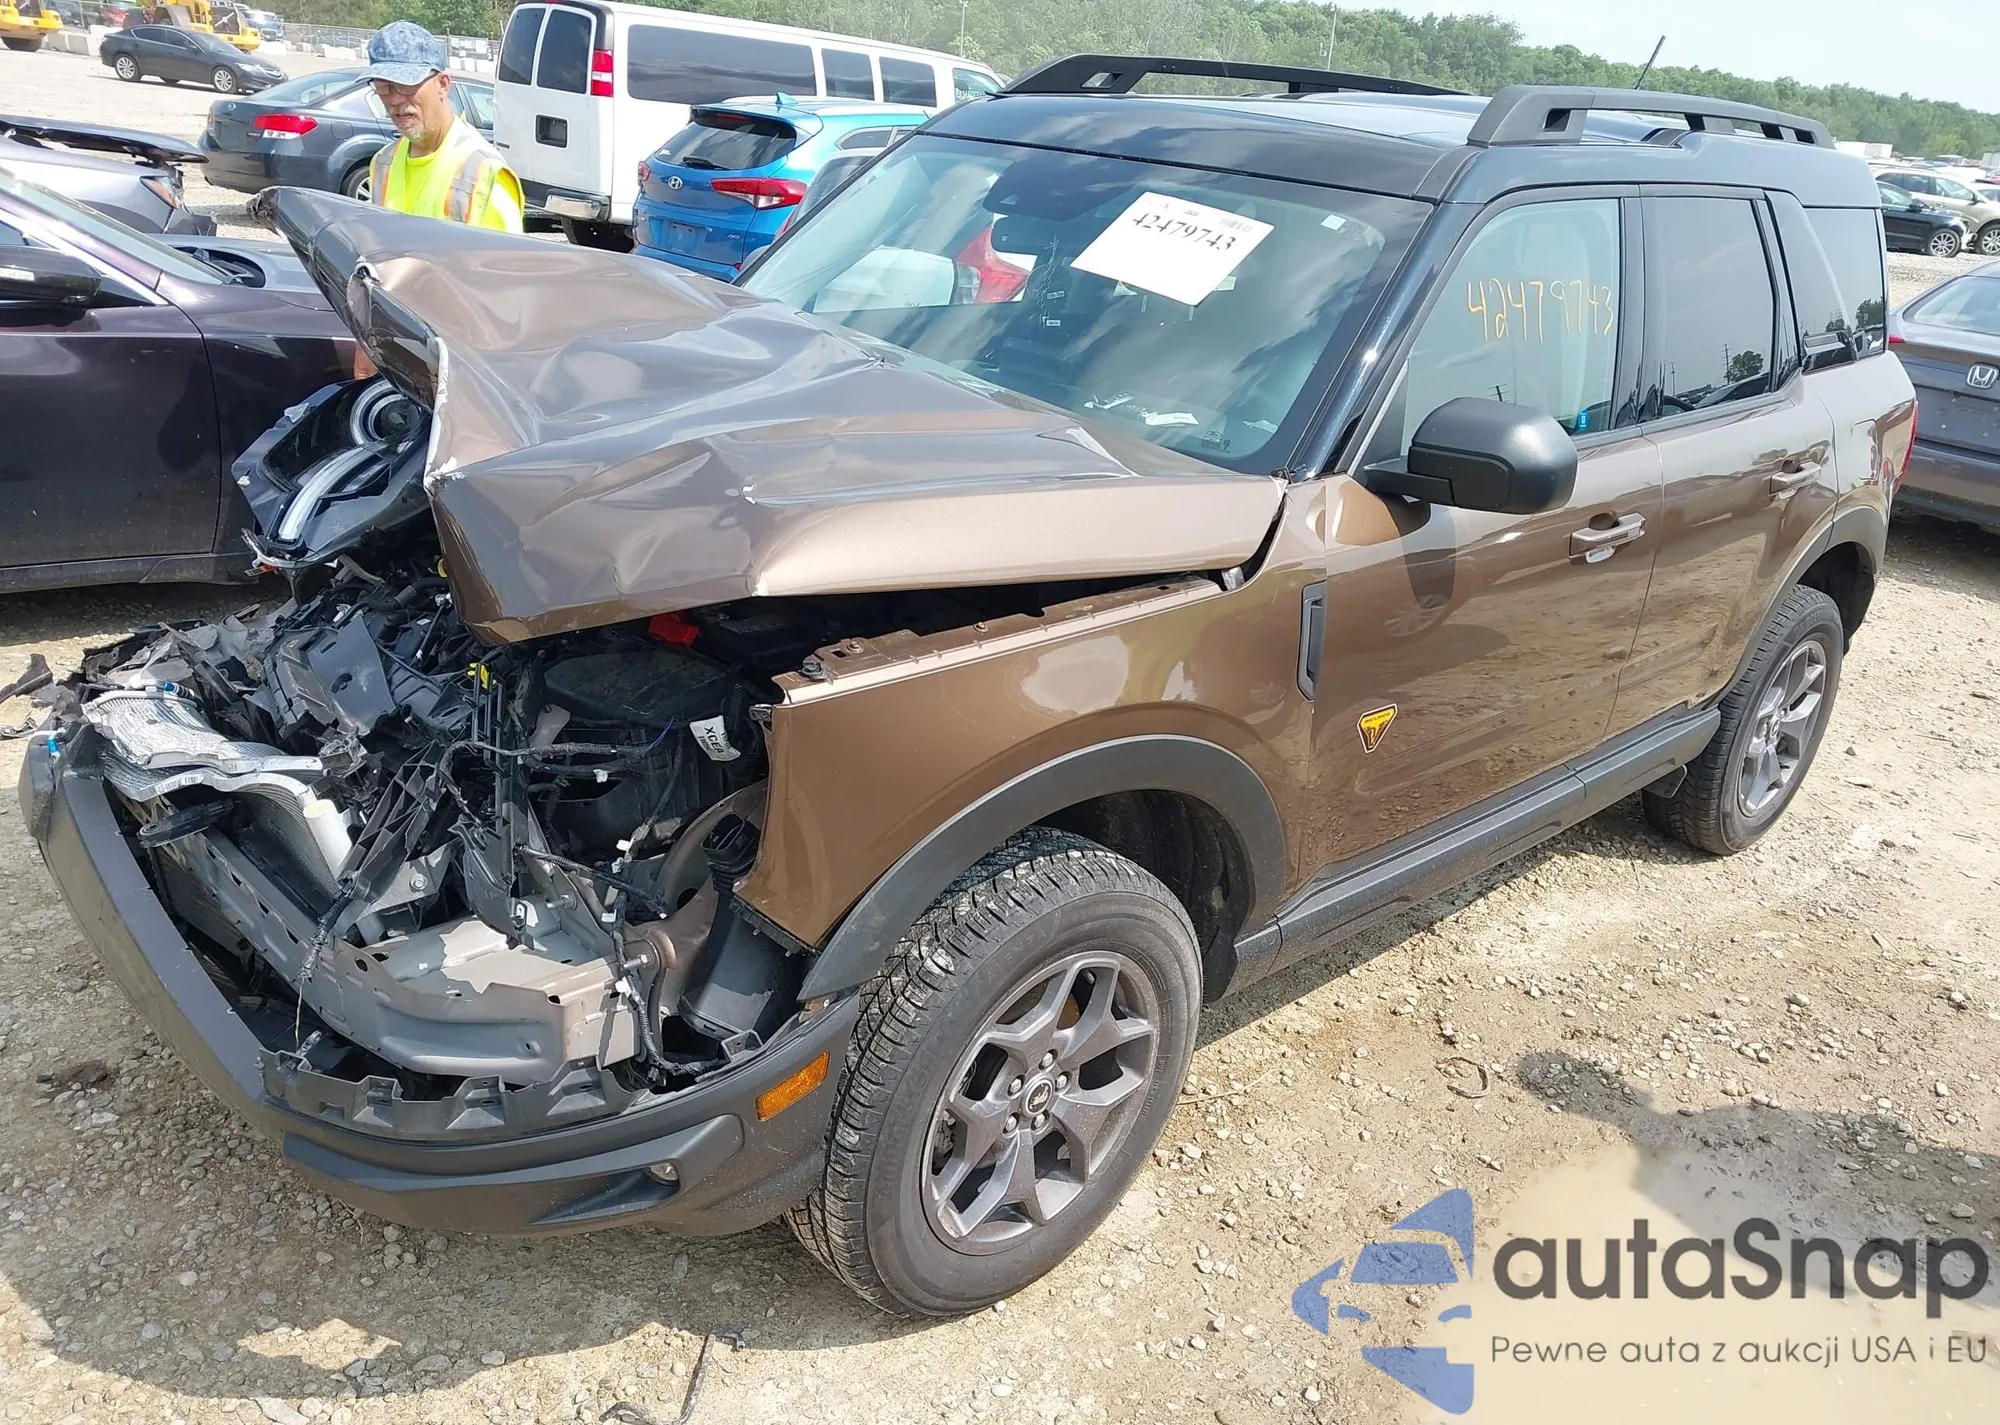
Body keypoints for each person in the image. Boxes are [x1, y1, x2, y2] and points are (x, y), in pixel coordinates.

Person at [358, 20, 522, 233]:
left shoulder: (484, 172)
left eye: (405, 85)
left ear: (443, 85)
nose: (394, 99)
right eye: (383, 87)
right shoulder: (382, 162)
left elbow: (507, 255)